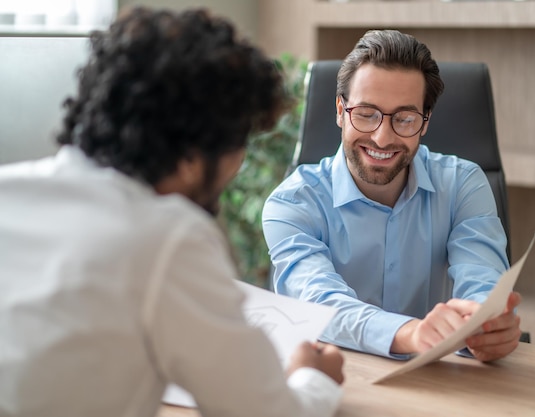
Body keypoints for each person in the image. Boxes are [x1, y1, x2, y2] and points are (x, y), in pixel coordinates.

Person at [0, 8, 344, 417]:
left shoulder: (9, 188)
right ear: (192, 158)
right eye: (240, 141)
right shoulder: (166, 236)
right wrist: (314, 377)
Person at [262, 29, 522, 362]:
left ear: (425, 122)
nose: (382, 138)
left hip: (442, 383)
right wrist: (410, 333)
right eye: (366, 114)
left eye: (404, 119)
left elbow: (482, 283)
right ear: (341, 110)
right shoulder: (292, 203)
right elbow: (320, 303)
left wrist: (487, 325)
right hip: (332, 381)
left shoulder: (463, 184)